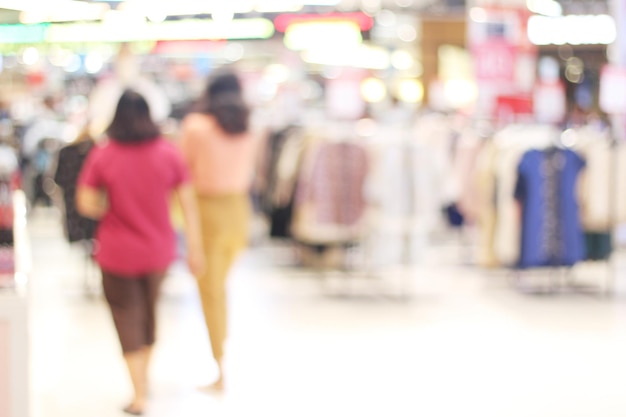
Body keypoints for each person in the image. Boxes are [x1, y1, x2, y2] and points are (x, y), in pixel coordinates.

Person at [76, 89, 204, 415]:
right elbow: (188, 204)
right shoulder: (168, 152)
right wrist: (196, 249)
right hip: (158, 251)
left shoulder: (104, 154)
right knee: (148, 316)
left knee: (126, 318)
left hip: (116, 252)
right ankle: (143, 383)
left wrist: (112, 207)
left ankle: (139, 394)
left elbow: (85, 201)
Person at [179, 69, 258, 391]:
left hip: (207, 210)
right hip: (238, 211)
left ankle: (220, 366)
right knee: (219, 288)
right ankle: (220, 361)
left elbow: (183, 181)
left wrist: (190, 238)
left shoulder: (196, 127)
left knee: (210, 291)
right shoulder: (248, 127)